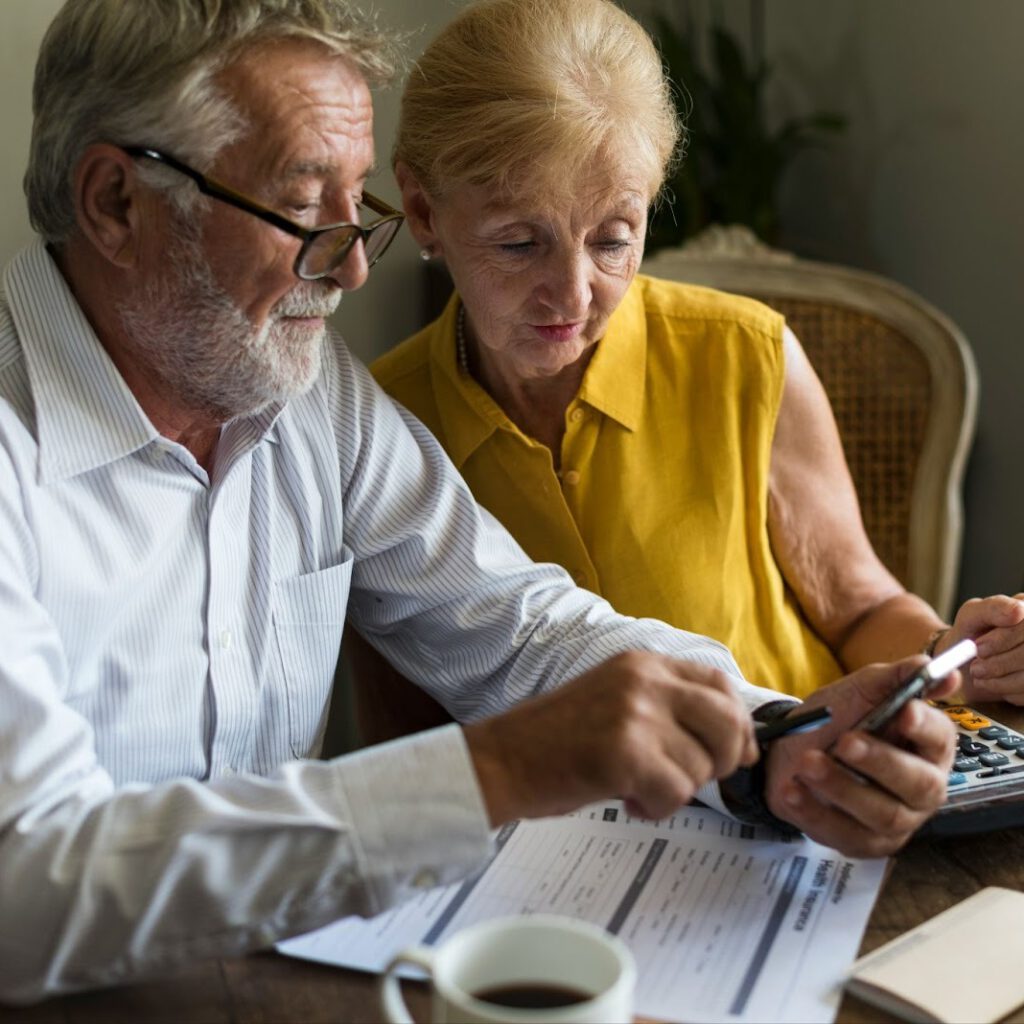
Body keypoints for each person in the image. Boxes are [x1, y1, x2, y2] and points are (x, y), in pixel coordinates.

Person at [0, 0, 954, 1005]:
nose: (355, 265)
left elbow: (517, 624)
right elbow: (25, 885)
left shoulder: (308, 395)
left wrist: (772, 740)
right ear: (115, 202)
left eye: (351, 205)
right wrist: (485, 771)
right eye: (298, 205)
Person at [370, 0, 1024, 707]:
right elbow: (401, 732)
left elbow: (862, 609)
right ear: (424, 211)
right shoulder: (379, 427)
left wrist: (952, 656)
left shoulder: (747, 357)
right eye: (518, 244)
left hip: (798, 786)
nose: (572, 295)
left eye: (613, 239)